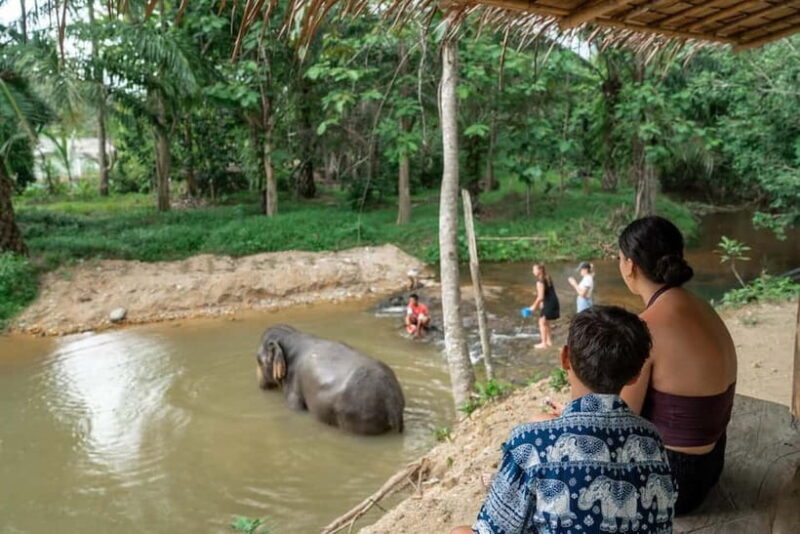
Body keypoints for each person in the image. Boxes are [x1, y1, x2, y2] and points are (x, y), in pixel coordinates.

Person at [451, 306, 676, 534]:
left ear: (565, 358)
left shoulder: (530, 441)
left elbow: (492, 529)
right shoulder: (651, 437)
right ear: (636, 374)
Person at [617, 216, 737, 515]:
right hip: (711, 464)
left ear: (630, 265)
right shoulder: (702, 307)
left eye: (619, 259)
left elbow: (621, 420)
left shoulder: (646, 327)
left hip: (673, 483)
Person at [529, 263, 559, 349]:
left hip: (548, 303)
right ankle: (549, 342)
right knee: (546, 322)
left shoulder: (540, 282)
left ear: (539, 270)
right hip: (553, 301)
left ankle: (544, 343)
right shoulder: (547, 277)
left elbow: (540, 297)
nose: (533, 271)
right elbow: (548, 292)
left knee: (541, 322)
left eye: (534, 269)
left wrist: (533, 307)